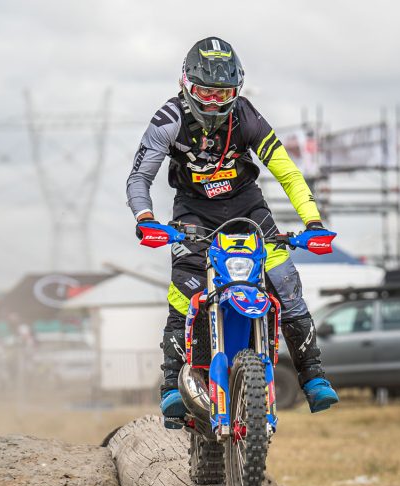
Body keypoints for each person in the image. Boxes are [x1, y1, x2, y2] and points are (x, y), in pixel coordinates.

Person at [126, 37, 339, 423]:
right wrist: (145, 220)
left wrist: (312, 222)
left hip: (247, 206)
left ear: (235, 90)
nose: (212, 102)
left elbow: (287, 172)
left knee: (285, 283)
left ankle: (313, 378)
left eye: (221, 93)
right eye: (204, 92)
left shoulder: (248, 117)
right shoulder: (167, 120)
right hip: (193, 211)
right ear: (185, 85)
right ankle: (173, 387)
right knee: (184, 289)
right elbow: (140, 177)